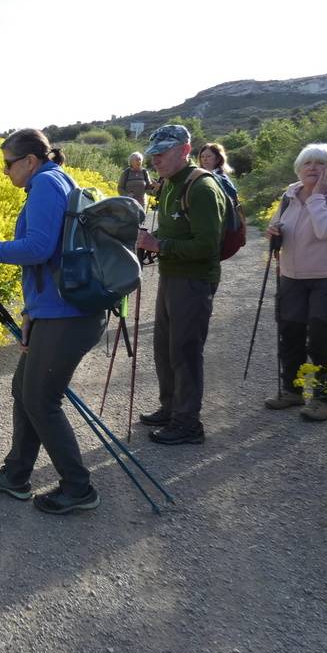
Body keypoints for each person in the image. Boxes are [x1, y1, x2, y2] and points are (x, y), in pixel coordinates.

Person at [0, 129, 105, 514]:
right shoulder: (55, 180)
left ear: (30, 160)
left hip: (68, 315)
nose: (4, 171)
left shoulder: (44, 184)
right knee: (24, 387)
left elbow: (39, 248)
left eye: (8, 163)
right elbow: (56, 254)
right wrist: (31, 313)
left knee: (42, 399)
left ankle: (79, 488)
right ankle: (17, 474)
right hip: (58, 310)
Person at [134, 124, 226, 444]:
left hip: (194, 281)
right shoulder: (169, 184)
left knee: (185, 352)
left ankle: (188, 424)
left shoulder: (201, 187)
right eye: (153, 154)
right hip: (172, 276)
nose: (156, 159)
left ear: (185, 150)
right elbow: (173, 232)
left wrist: (159, 247)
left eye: (163, 152)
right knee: (164, 348)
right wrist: (151, 241)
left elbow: (207, 246)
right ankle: (172, 408)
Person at [263, 143, 327, 422]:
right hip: (293, 276)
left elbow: (326, 229)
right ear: (298, 168)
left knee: (320, 338)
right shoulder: (289, 196)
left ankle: (325, 400)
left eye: (320, 163)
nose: (312, 168)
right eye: (307, 163)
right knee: (290, 334)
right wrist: (273, 231)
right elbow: (278, 225)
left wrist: (317, 195)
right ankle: (292, 391)